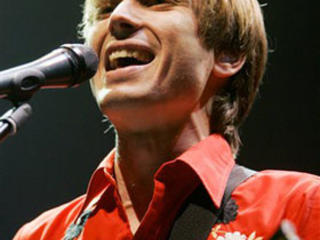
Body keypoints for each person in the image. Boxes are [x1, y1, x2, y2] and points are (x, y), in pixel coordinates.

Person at [14, 0, 320, 239]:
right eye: (105, 9)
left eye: (157, 1)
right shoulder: (41, 235)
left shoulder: (302, 206)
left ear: (227, 53)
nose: (118, 16)